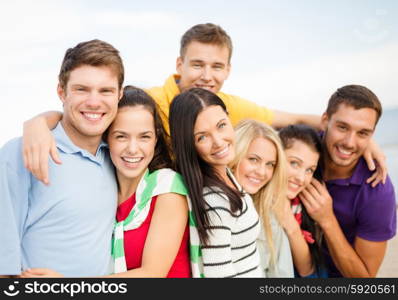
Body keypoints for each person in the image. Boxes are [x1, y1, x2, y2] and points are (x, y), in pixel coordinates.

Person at [21, 23, 386, 186]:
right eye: (197, 64)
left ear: (228, 70)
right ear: (179, 65)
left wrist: (361, 139)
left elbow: (292, 118)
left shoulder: (224, 106)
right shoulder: (147, 101)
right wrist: (38, 123)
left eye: (216, 66)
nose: (206, 75)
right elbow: (93, 112)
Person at [20, 86, 190, 278]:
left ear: (155, 140)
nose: (133, 149)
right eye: (121, 136)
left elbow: (152, 274)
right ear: (106, 138)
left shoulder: (167, 188)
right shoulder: (103, 183)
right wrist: (37, 123)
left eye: (144, 137)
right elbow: (72, 119)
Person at [0, 39, 124, 276]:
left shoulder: (118, 156)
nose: (94, 102)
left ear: (120, 94)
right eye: (81, 89)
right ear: (61, 92)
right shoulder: (21, 153)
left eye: (105, 90)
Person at [299, 85, 397, 277]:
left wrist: (327, 220)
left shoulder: (377, 191)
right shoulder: (301, 149)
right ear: (325, 120)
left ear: (371, 135)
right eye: (343, 127)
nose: (349, 143)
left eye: (363, 133)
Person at [169, 88, 263, 278]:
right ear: (189, 145)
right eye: (202, 137)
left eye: (221, 125)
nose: (219, 142)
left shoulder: (225, 174)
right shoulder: (215, 201)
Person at [229, 119, 294, 277]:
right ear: (235, 154)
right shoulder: (206, 202)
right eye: (253, 159)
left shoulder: (269, 215)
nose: (262, 172)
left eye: (270, 164)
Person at [278, 125, 327, 277]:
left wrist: (290, 223)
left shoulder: (301, 206)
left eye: (309, 170)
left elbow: (307, 271)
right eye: (294, 163)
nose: (301, 178)